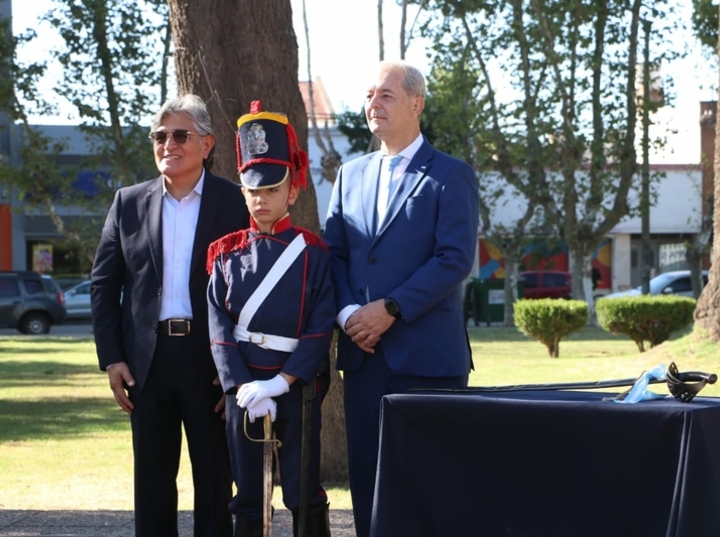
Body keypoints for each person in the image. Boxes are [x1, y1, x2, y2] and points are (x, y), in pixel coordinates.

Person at [322, 60, 479, 537]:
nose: (374, 104)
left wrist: (390, 309)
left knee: (432, 487)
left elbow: (454, 258)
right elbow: (333, 255)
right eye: (369, 95)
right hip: (365, 358)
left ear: (417, 104)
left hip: (429, 360)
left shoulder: (451, 175)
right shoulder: (350, 175)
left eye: (386, 95)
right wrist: (350, 313)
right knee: (370, 486)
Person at [91, 94, 249, 537]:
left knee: (216, 481)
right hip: (147, 364)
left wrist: (237, 368)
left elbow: (253, 287)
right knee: (153, 483)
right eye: (160, 136)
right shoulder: (127, 202)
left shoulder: (236, 203)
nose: (168, 144)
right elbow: (104, 285)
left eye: (180, 134)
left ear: (207, 144)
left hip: (211, 363)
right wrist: (113, 359)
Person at [206, 101, 334, 537]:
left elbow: (320, 325)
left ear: (292, 192)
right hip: (244, 389)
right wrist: (241, 385)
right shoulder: (224, 254)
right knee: (248, 494)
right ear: (242, 190)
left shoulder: (313, 253)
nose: (261, 199)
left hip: (297, 387)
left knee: (303, 489)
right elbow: (219, 327)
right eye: (253, 190)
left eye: (272, 190)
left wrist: (283, 383)